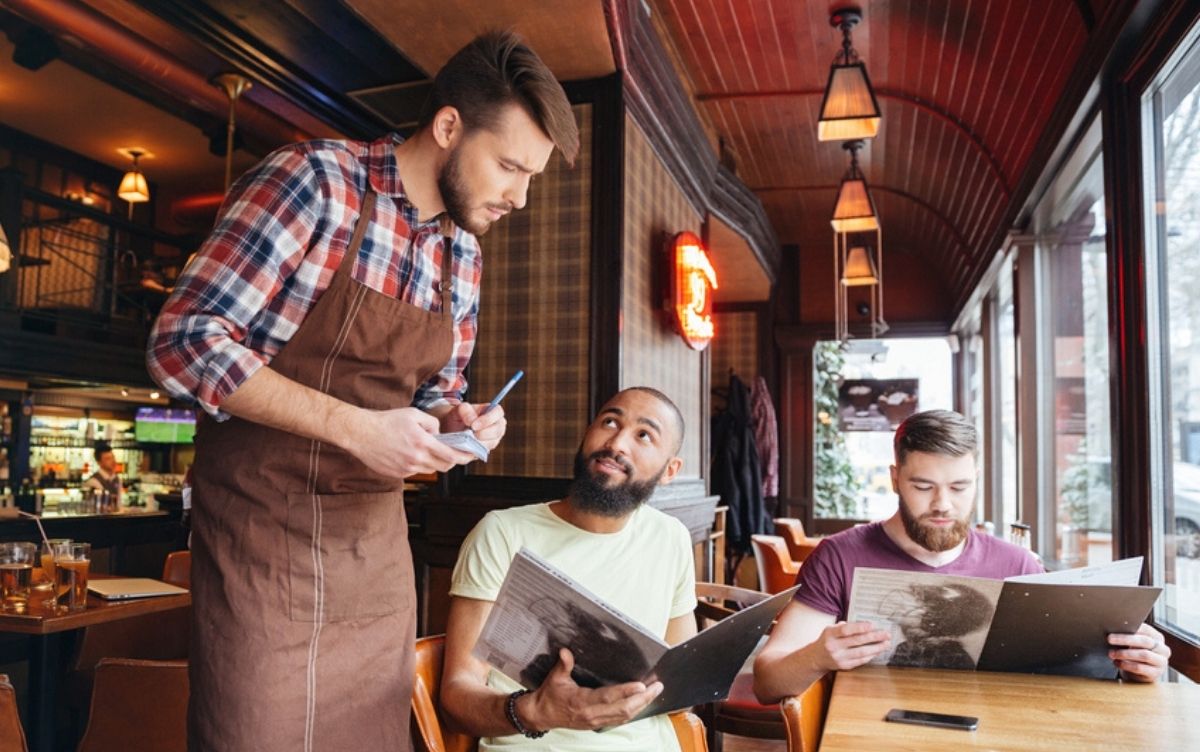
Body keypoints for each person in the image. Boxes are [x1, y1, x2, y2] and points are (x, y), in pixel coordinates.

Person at [145, 31, 579, 752]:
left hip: (373, 560)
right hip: (260, 546)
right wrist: (354, 426)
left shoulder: (462, 254)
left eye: (530, 176)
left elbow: (438, 388)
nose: (519, 197)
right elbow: (183, 342)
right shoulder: (315, 182)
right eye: (508, 166)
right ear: (447, 127)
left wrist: (455, 418)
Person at [754, 409, 1172, 703]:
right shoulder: (840, 555)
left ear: (976, 479)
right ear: (895, 478)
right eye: (923, 486)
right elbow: (767, 681)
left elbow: (1072, 682)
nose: (942, 505)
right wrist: (817, 656)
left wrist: (1136, 667)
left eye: (958, 487)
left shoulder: (1019, 565)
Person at [441, 387, 695, 751]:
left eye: (643, 435)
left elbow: (679, 686)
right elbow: (456, 696)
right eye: (610, 422)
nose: (617, 443)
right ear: (587, 433)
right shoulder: (503, 533)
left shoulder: (671, 538)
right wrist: (535, 711)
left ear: (670, 470)